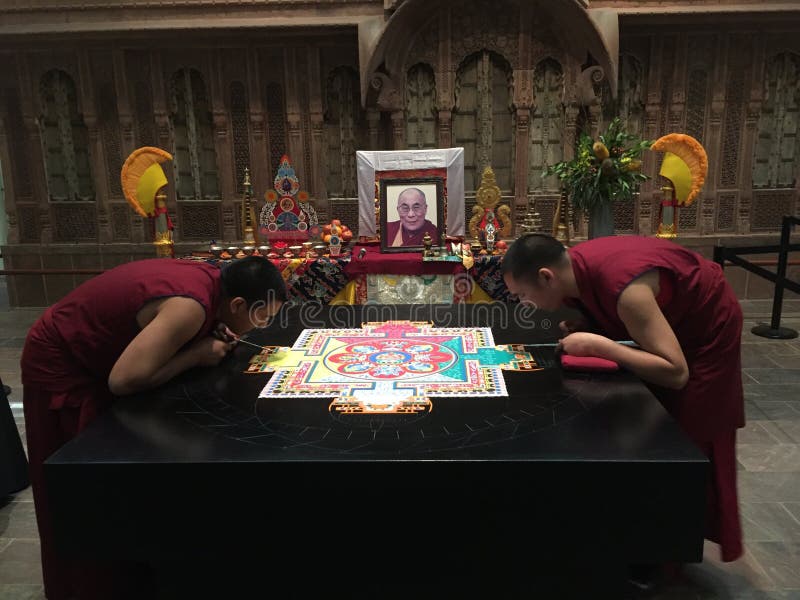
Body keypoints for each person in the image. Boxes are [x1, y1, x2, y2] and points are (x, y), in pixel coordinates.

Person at [21, 256, 287, 600]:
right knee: (87, 488)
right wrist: (195, 355)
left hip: (100, 352)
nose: (260, 327)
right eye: (261, 317)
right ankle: (89, 585)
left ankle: (132, 569)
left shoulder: (213, 282)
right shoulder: (189, 309)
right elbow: (123, 380)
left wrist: (210, 332)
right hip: (62, 362)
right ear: (236, 303)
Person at [502, 233, 744, 565]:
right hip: (668, 325)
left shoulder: (626, 292)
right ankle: (636, 534)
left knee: (685, 431)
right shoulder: (576, 266)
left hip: (705, 331)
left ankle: (667, 554)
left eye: (523, 295)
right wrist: (590, 324)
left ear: (547, 277)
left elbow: (676, 372)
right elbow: (603, 305)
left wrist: (602, 345)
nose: (523, 304)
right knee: (646, 418)